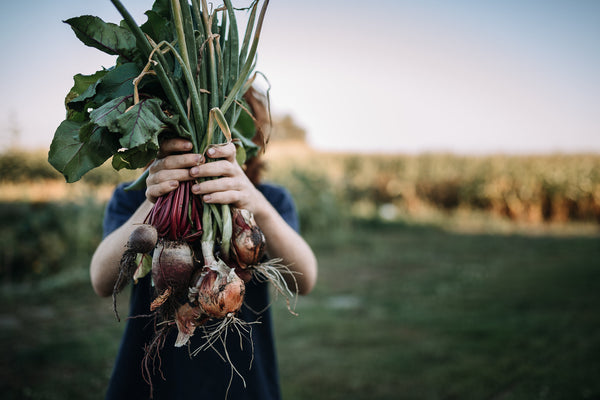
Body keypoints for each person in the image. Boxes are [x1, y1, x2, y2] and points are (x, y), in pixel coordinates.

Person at [89, 90, 318, 399]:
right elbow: (101, 282)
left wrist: (256, 205)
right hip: (152, 380)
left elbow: (306, 280)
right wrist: (152, 200)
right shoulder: (133, 197)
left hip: (242, 379)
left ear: (241, 139)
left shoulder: (270, 200)